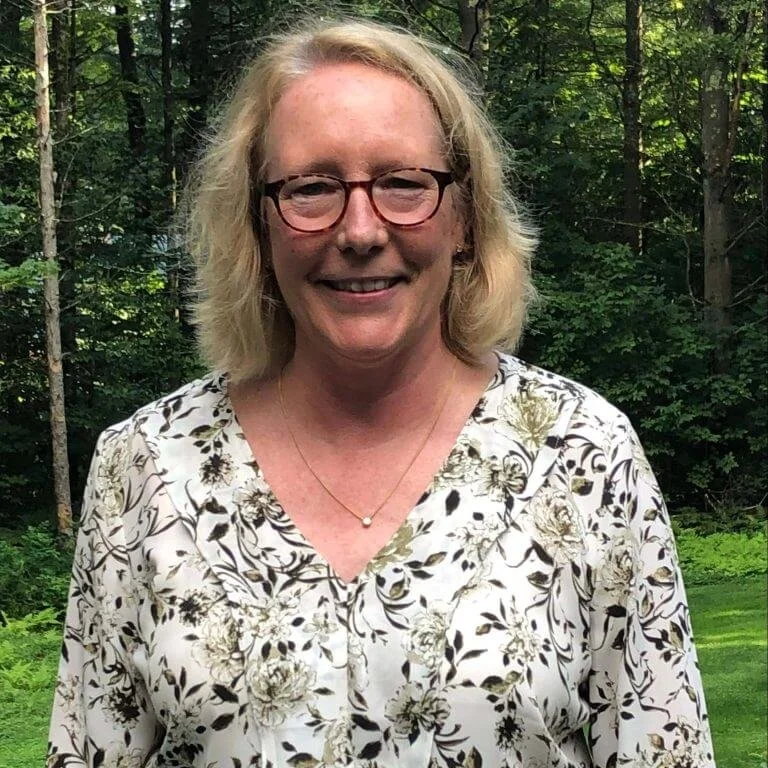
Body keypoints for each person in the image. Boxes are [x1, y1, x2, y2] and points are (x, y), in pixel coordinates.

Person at [47, 18, 716, 768]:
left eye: (403, 183)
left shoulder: (585, 456)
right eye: (311, 188)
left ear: (464, 216)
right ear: (257, 225)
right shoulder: (145, 469)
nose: (360, 230)